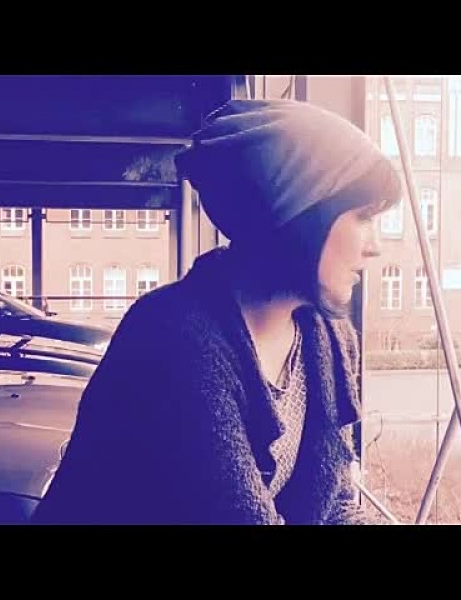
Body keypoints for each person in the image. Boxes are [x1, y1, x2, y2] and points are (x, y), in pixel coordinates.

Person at [31, 98, 402, 525]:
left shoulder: (329, 339)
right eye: (363, 217)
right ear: (299, 213)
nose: (375, 247)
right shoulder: (175, 340)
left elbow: (334, 503)